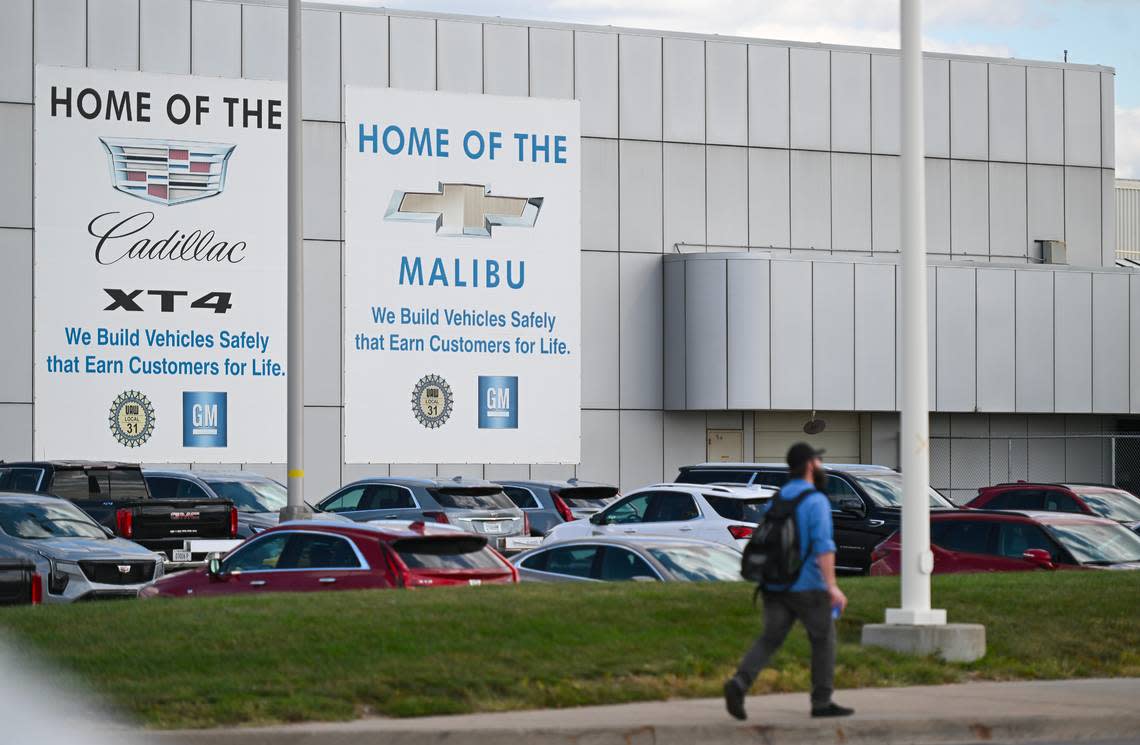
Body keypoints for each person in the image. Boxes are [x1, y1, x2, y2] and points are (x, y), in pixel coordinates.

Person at [723, 442, 853, 720]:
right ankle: (821, 702)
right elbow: (823, 546)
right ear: (809, 465)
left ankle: (740, 682)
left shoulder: (779, 498)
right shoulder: (816, 500)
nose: (820, 466)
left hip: (774, 583)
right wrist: (832, 586)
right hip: (807, 586)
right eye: (818, 461)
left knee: (769, 639)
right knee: (823, 640)